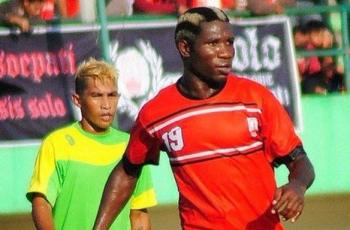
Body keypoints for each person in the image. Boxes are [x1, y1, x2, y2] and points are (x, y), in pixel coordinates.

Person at [93, 7, 315, 230]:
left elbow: (300, 161)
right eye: (214, 43)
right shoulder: (157, 113)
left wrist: (297, 185)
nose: (226, 52)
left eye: (229, 42)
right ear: (185, 48)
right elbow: (127, 171)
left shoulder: (256, 99)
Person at [26, 58, 157, 229]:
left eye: (111, 95)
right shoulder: (56, 144)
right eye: (96, 96)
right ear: (77, 100)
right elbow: (41, 204)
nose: (106, 105)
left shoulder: (130, 146)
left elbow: (138, 214)